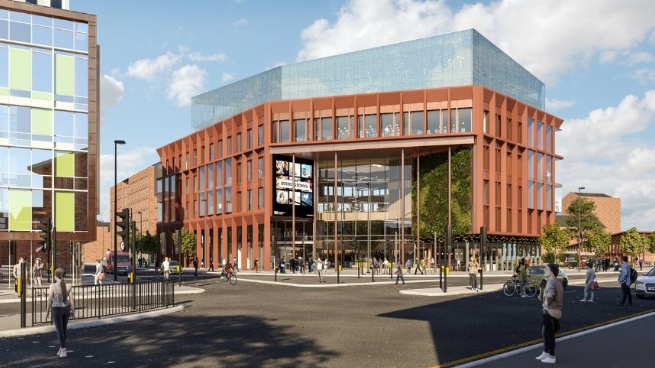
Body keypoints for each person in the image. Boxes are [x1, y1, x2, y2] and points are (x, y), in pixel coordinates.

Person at [536, 263, 563, 364]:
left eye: (546, 269)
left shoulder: (551, 282)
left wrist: (546, 301)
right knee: (546, 332)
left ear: (551, 271)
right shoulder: (557, 282)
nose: (544, 270)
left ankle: (551, 356)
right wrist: (543, 296)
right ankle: (545, 352)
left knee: (549, 334)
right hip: (556, 310)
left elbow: (550, 295)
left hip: (549, 311)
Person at [47, 268, 75, 358]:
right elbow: (71, 300)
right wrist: (73, 310)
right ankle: (61, 347)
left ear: (56, 276)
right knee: (63, 329)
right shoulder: (68, 286)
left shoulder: (53, 286)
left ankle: (63, 348)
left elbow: (50, 299)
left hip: (56, 309)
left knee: (59, 330)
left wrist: (47, 311)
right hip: (66, 309)